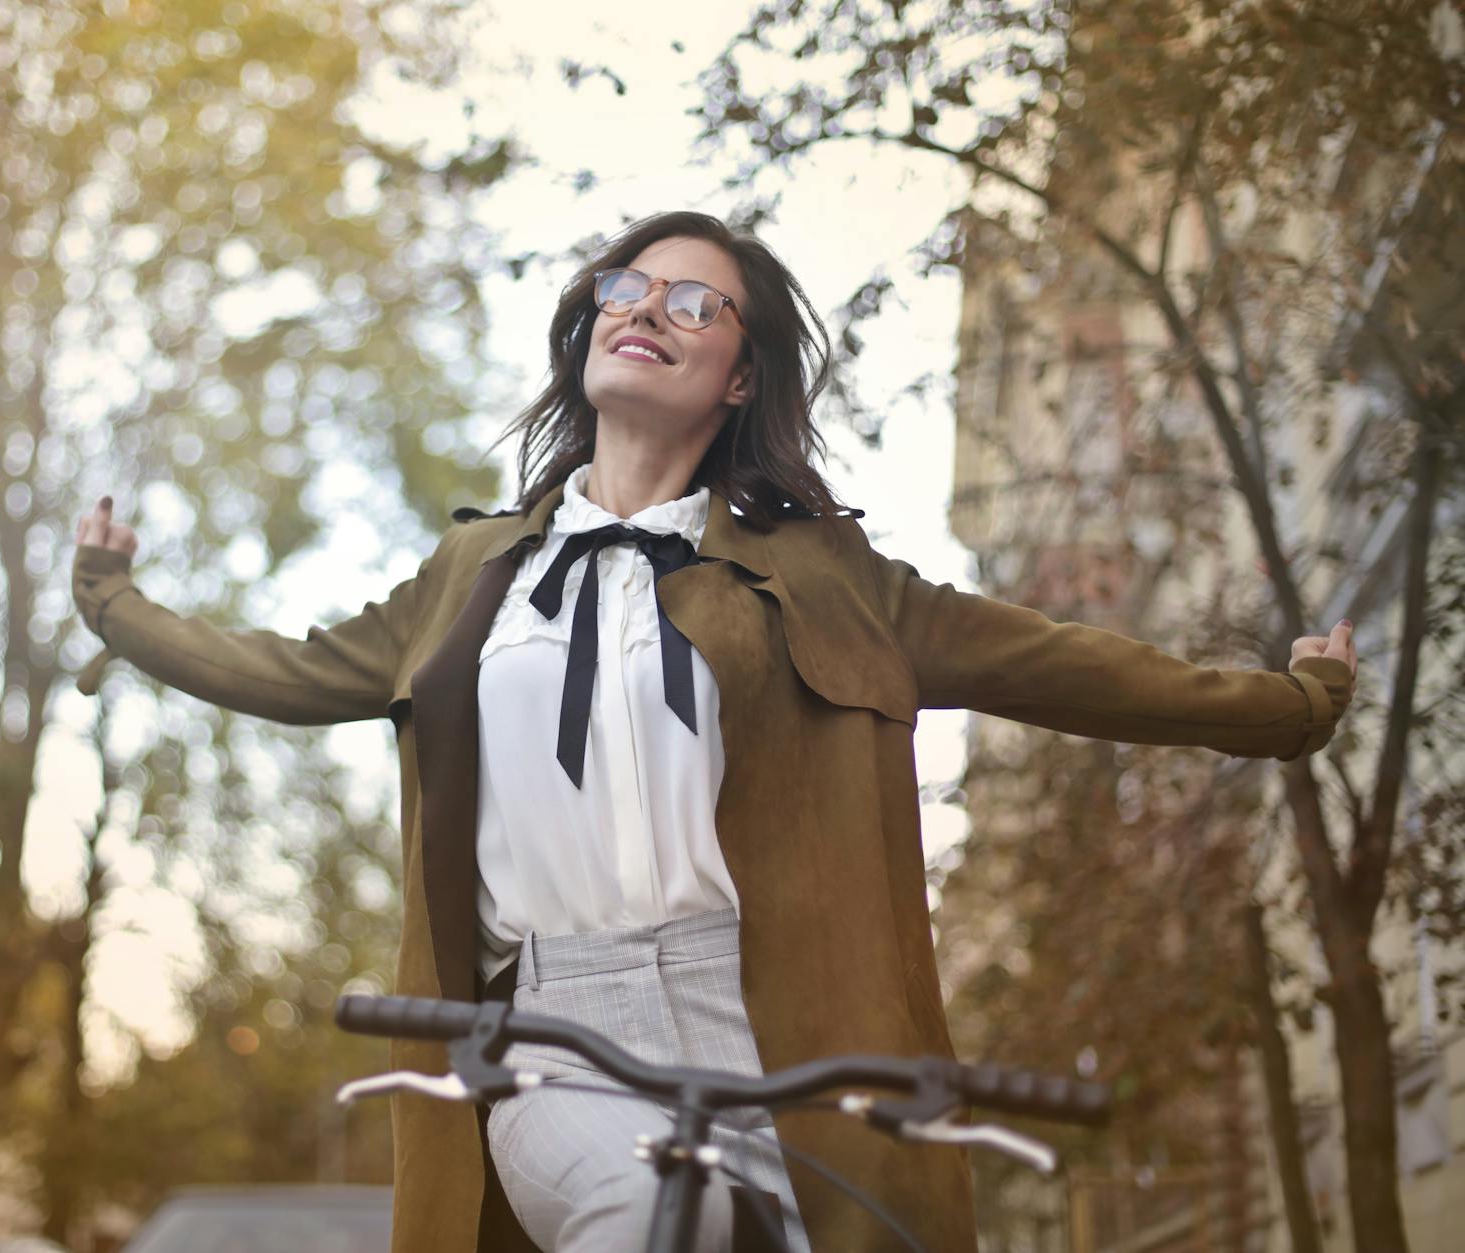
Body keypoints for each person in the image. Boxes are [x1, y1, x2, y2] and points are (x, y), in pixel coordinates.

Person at [72, 210, 1358, 1252]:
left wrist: (1287, 705)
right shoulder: (474, 571)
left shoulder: (824, 575)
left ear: (737, 374)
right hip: (555, 1027)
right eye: (627, 287)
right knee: (644, 1214)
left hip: (780, 1023)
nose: (644, 308)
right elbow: (286, 671)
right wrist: (116, 605)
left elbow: (1063, 665)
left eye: (693, 300)